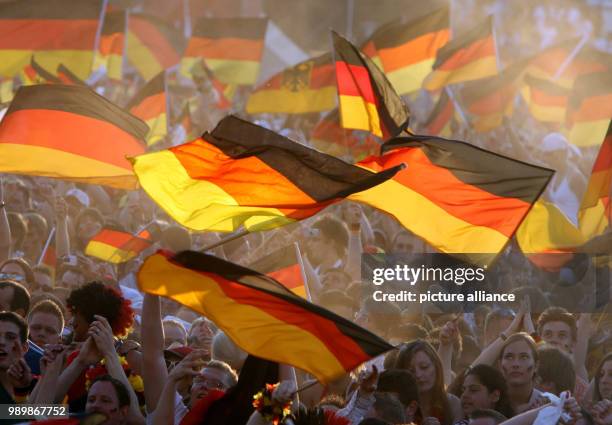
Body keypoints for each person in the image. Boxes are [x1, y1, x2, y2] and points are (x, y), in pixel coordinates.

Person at [395, 339, 463, 425]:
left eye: (424, 367)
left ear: (436, 367)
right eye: (411, 371)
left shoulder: (453, 404)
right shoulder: (395, 407)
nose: (418, 375)